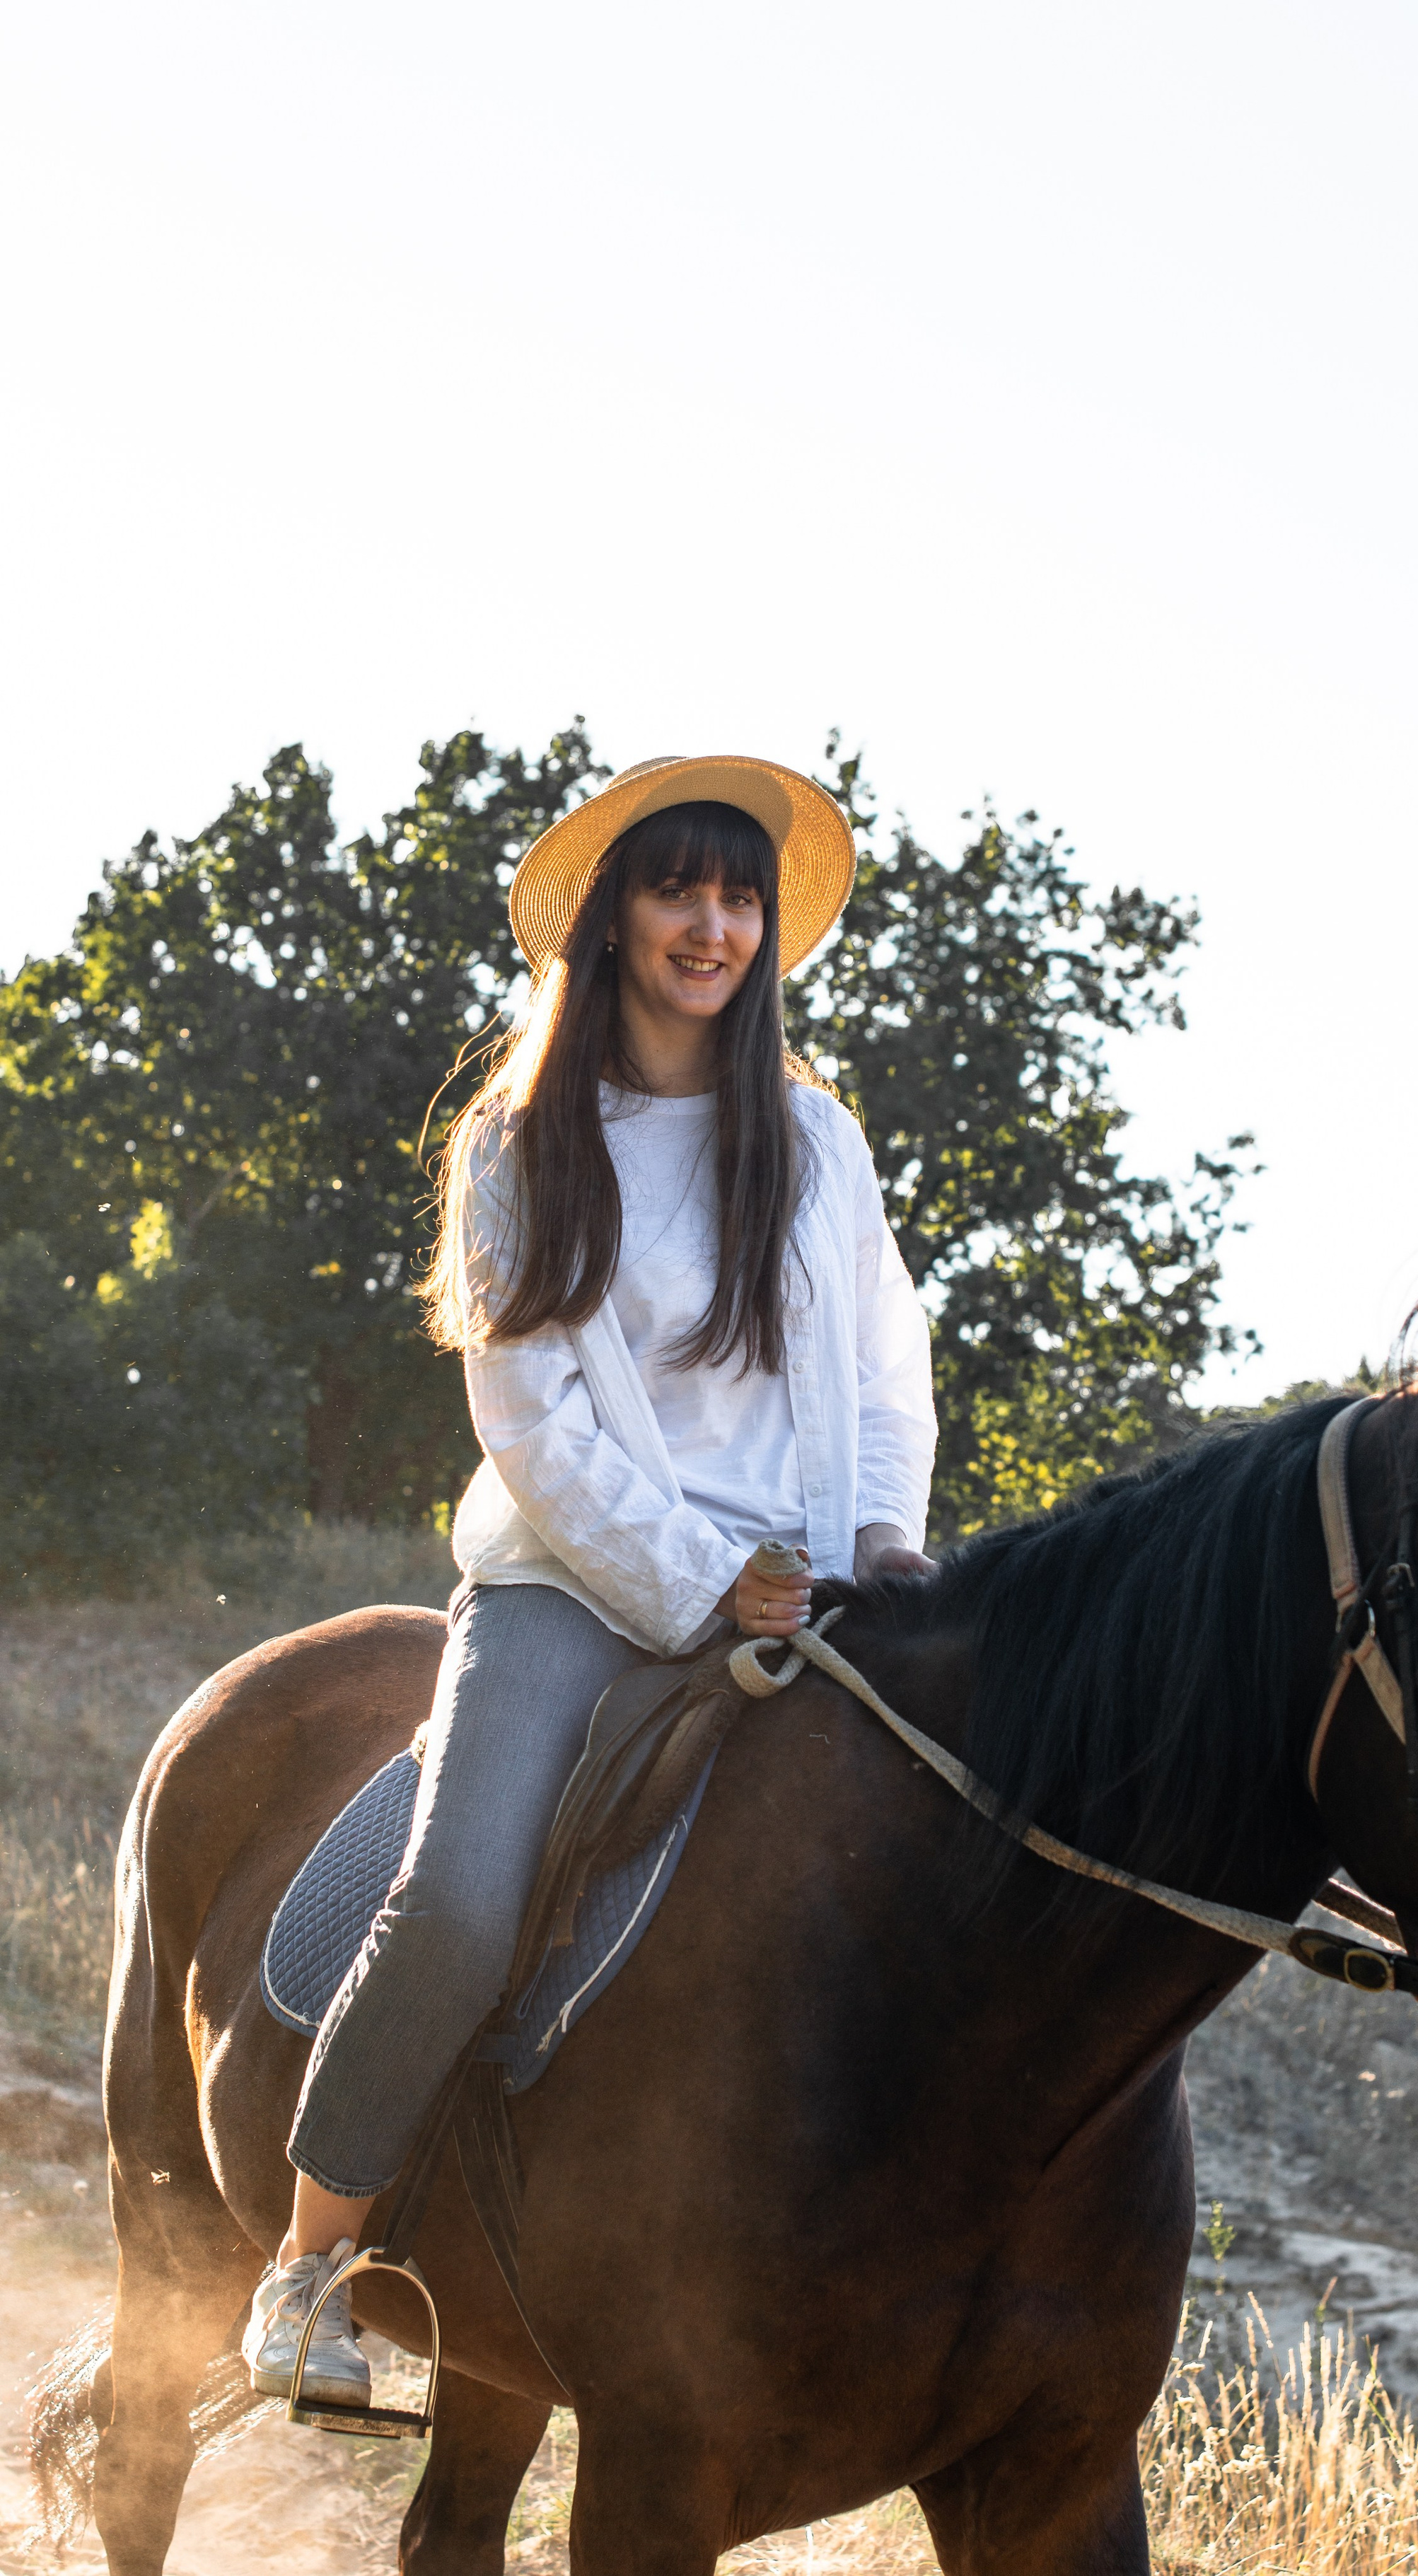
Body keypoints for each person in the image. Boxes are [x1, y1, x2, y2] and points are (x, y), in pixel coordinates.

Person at [243, 754, 938, 2407]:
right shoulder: (522, 1137)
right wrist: (709, 1582)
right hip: (571, 1581)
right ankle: (308, 2265)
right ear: (613, 920)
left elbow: (882, 1371)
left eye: (739, 897)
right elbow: (530, 1419)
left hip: (821, 1577)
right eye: (677, 890)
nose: (712, 925)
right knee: (467, 1893)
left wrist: (880, 1544)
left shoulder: (819, 1140)